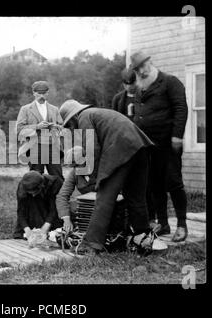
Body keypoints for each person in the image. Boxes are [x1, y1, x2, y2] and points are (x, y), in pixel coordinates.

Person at [59, 99, 155, 255]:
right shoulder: (96, 113)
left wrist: (97, 178)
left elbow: (93, 150)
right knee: (135, 195)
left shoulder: (84, 117)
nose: (71, 128)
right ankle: (142, 236)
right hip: (139, 146)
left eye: (69, 124)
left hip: (121, 148)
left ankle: (91, 245)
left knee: (104, 198)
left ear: (74, 117)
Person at [130, 51, 189, 242]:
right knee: (155, 184)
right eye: (137, 69)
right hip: (148, 144)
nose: (141, 71)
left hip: (168, 143)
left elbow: (181, 108)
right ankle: (163, 224)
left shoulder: (170, 82)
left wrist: (177, 136)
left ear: (150, 62)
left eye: (143, 66)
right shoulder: (140, 89)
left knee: (173, 182)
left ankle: (182, 224)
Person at [16, 81, 64, 179]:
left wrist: (55, 127)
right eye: (39, 93)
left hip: (53, 147)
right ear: (34, 93)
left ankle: (54, 195)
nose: (41, 96)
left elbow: (61, 126)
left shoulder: (54, 109)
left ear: (48, 93)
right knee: (36, 178)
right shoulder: (25, 109)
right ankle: (37, 195)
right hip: (34, 147)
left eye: (44, 93)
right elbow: (19, 129)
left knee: (57, 177)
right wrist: (37, 126)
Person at [13, 171, 63, 239]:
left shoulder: (55, 183)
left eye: (34, 192)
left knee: (54, 232)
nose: (33, 195)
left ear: (41, 186)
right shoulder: (22, 187)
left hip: (50, 209)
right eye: (30, 193)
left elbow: (54, 208)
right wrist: (26, 229)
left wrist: (45, 227)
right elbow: (21, 211)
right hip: (33, 212)